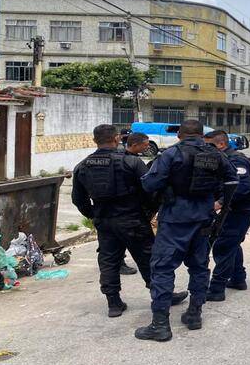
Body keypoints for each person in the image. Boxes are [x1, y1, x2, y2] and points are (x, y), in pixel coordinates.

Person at [135, 120, 237, 342]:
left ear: (179, 134)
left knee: (162, 269)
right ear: (201, 134)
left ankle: (160, 325)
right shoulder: (216, 155)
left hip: (174, 220)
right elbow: (233, 180)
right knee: (199, 267)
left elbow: (149, 184)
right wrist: (221, 205)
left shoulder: (170, 154)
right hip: (203, 220)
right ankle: (194, 315)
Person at [71, 124, 187, 318]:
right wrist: (149, 212)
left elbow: (78, 199)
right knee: (149, 259)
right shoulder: (131, 162)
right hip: (133, 219)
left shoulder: (82, 166)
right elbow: (150, 189)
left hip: (105, 221)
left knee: (109, 260)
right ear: (117, 138)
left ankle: (113, 303)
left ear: (94, 140)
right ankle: (162, 296)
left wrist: (94, 214)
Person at [203, 130, 250, 302]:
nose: (205, 149)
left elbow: (241, 187)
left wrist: (219, 203)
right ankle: (238, 279)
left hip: (242, 209)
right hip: (234, 207)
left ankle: (216, 289)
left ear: (221, 144)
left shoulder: (236, 160)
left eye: (208, 146)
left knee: (223, 245)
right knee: (232, 243)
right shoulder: (221, 158)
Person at [117, 132, 152, 276]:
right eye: (145, 145)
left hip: (111, 211)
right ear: (135, 145)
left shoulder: (122, 157)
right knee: (142, 246)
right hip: (129, 209)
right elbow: (147, 185)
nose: (147, 147)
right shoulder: (132, 161)